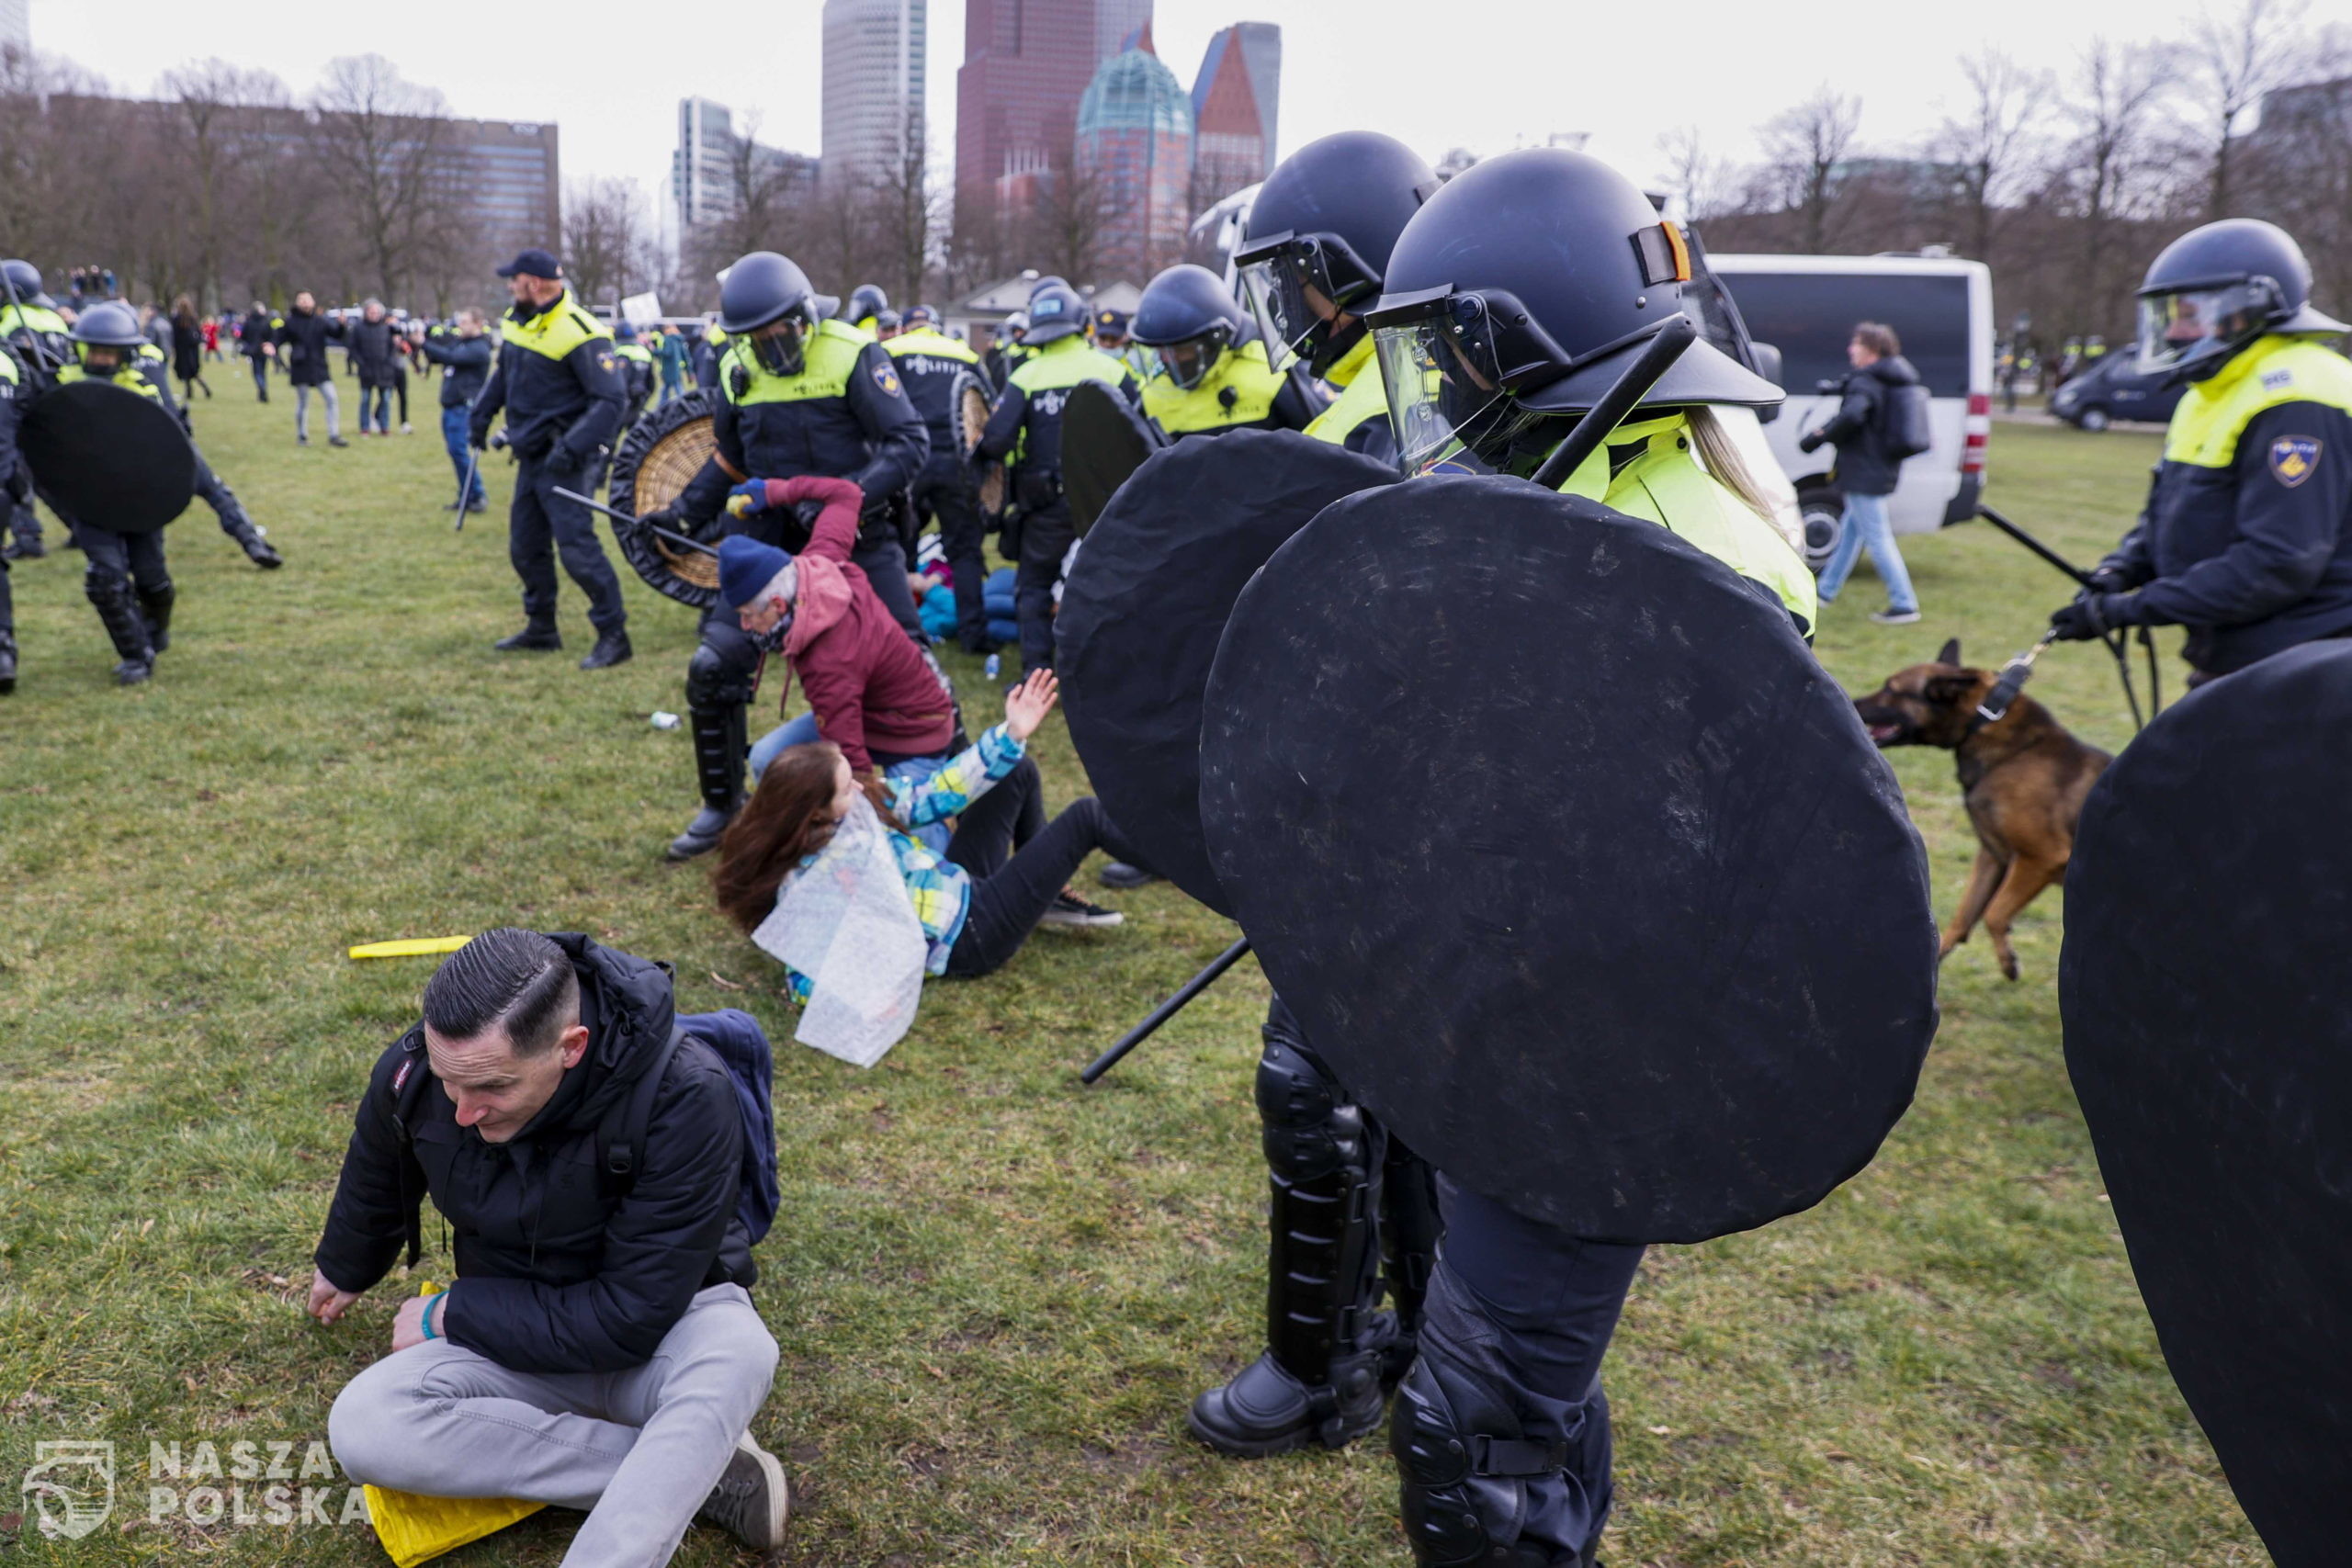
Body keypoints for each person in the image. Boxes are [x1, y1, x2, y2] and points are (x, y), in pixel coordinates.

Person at [1341, 147, 1812, 1567]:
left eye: (1447, 356)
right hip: (1507, 1015)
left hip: (1592, 1058)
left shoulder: (1680, 557)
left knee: (1470, 1422)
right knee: (1521, 1393)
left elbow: (1661, 881)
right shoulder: (1582, 498)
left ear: (1516, 345)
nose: (1433, 391)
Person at [1176, 129, 1453, 1452]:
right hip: (1384, 793)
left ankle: (1321, 1366)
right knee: (1403, 1093)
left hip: (1393, 807)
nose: (1287, 313)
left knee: (1319, 1078)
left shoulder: (1404, 406)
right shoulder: (1391, 391)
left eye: (1298, 283)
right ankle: (1406, 1328)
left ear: (1353, 269)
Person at [309, 929, 790, 1563]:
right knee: (365, 1425)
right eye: (449, 1079)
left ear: (572, 1046)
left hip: (662, 1332)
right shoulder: (427, 1071)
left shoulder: (688, 1092)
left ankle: (656, 1489)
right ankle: (695, 1472)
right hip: (517, 1341)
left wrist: (449, 1313)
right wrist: (346, 1263)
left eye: (492, 1088)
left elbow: (630, 1315)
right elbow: (381, 1159)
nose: (462, 1110)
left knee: (741, 1351)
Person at [647, 251, 930, 862]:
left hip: (858, 537)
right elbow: (729, 457)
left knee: (913, 671)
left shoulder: (853, 352)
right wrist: (684, 513)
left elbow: (908, 443)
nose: (772, 349)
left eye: (781, 335)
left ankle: (925, 809)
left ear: (805, 314)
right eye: (757, 340)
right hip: (770, 541)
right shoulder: (731, 367)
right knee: (712, 666)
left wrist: (844, 502)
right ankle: (724, 809)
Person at [2050, 218, 2352, 687]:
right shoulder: (2210, 391)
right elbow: (2173, 513)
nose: (2174, 331)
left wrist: (2131, 608)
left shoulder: (2300, 397)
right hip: (2244, 653)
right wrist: (2121, 568)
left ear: (2245, 310)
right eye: (2169, 316)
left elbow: (2279, 562)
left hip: (2306, 664)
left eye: (2189, 316)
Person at [716, 667, 1131, 1003]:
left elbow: (933, 795)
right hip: (969, 935)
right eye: (846, 788)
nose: (860, 788)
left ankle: (1044, 893)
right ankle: (1188, 863)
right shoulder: (813, 879)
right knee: (1086, 817)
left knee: (1015, 771)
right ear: (813, 814)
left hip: (956, 885)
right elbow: (808, 973)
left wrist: (1012, 733)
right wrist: (868, 995)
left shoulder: (859, 805)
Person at [468, 248, 633, 672]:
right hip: (531, 455)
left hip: (567, 461)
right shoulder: (518, 322)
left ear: (535, 283)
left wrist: (572, 448)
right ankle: (541, 628)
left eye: (514, 278)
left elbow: (611, 401)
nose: (509, 285)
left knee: (578, 551)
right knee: (525, 548)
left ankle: (614, 635)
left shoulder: (582, 331)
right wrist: (481, 416)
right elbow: (504, 375)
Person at [1235, 131, 1441, 469]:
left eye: (1292, 283)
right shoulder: (1459, 379)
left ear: (1344, 277)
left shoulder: (1375, 418)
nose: (1284, 304)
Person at [969, 281, 1140, 675]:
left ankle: (1037, 674)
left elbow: (997, 442)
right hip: (1105, 504)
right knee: (1109, 586)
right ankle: (1108, 671)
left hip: (1045, 506)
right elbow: (1141, 436)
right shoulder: (1114, 370)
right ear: (1082, 324)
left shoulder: (1027, 376)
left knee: (1033, 588)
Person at [885, 304, 995, 652]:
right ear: (935, 326)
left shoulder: (890, 351)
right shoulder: (963, 353)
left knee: (900, 547)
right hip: (956, 464)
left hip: (907, 462)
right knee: (964, 551)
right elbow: (985, 409)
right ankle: (973, 638)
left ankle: (900, 635)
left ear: (904, 328)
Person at [1801, 321, 1923, 625]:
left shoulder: (1867, 381)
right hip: (1876, 466)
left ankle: (1904, 603)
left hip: (1864, 469)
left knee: (1878, 537)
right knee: (1851, 532)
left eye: (1856, 344)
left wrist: (1822, 435)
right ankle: (1826, 592)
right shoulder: (1885, 379)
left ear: (1873, 350)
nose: (1850, 349)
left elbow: (1853, 414)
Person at [1131, 264, 1321, 440]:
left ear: (1214, 340)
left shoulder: (1272, 375)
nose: (1167, 360)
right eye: (1160, 351)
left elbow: (1321, 445)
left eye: (1180, 350)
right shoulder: (1151, 397)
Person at [2, 257, 74, 560]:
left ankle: (27, 535)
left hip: (24, 407)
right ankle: (83, 525)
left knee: (13, 470)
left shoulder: (10, 321)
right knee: (47, 476)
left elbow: (17, 371)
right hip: (57, 403)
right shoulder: (54, 319)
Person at [420, 310, 492, 513]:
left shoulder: (479, 347)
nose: (460, 325)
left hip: (463, 407)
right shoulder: (461, 342)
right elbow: (439, 356)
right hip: (450, 406)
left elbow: (450, 357)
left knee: (460, 452)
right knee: (454, 451)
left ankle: (477, 494)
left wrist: (422, 343)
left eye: (465, 322)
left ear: (477, 323)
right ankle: (466, 495)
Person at [276, 291, 348, 447]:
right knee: (303, 402)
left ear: (313, 302)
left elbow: (336, 334)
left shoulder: (320, 321)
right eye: (301, 300)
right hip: (300, 366)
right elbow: (279, 338)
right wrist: (271, 346)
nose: (305, 303)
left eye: (307, 299)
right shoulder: (291, 322)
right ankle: (302, 435)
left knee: (332, 399)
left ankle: (334, 435)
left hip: (319, 367)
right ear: (297, 303)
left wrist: (342, 325)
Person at [349, 299, 402, 437]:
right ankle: (364, 428)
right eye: (371, 312)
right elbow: (353, 348)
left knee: (385, 399)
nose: (374, 315)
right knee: (365, 399)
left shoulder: (386, 328)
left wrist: (389, 361)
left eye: (376, 312)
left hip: (384, 370)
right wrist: (361, 362)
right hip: (366, 370)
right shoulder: (359, 328)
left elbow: (392, 348)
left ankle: (384, 427)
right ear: (366, 313)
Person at [612, 321, 656, 422]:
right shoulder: (644, 352)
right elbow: (652, 383)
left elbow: (617, 380)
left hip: (623, 398)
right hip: (640, 396)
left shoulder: (618, 353)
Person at [169, 296, 209, 401]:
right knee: (193, 372)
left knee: (186, 372)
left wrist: (173, 346)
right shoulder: (193, 318)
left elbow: (174, 334)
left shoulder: (177, 319)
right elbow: (199, 333)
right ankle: (200, 389)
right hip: (193, 349)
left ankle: (189, 391)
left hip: (182, 349)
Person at [239, 299, 278, 403]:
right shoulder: (266, 321)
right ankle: (262, 390)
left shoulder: (249, 321)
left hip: (253, 349)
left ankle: (261, 388)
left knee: (257, 372)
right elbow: (271, 336)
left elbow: (243, 336)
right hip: (263, 348)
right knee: (263, 371)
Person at [653, 322, 689, 404]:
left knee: (676, 389)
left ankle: (684, 403)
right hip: (675, 368)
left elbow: (667, 352)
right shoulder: (677, 339)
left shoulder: (668, 339)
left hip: (669, 369)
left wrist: (655, 351)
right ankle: (661, 405)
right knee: (668, 389)